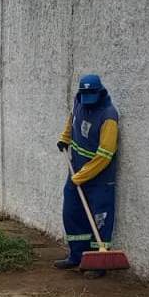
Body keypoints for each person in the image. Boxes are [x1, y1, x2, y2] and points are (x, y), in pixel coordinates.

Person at [54, 74, 120, 279]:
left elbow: (105, 154)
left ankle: (99, 262)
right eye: (85, 96)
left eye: (91, 96)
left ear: (100, 93)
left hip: (100, 178)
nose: (87, 101)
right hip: (76, 172)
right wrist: (65, 138)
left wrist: (82, 176)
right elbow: (72, 121)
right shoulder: (79, 102)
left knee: (100, 219)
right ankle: (77, 256)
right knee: (72, 213)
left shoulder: (108, 116)